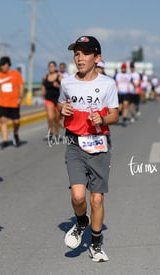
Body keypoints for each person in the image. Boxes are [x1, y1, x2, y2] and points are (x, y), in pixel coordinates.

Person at [58, 36, 119, 262]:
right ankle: (81, 221)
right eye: (76, 53)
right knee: (77, 195)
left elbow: (114, 114)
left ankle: (95, 243)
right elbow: (60, 104)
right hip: (75, 143)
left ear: (97, 57)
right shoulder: (66, 82)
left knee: (96, 200)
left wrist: (102, 119)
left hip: (99, 144)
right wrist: (61, 110)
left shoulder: (107, 84)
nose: (79, 57)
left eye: (84, 53)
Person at [0, 56, 24, 149]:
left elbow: (21, 86)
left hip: (14, 103)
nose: (2, 67)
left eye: (3, 65)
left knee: (16, 122)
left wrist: (20, 97)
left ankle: (15, 134)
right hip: (1, 103)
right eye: (0, 65)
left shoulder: (16, 74)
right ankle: (5, 140)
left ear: (8, 64)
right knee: (3, 121)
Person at [41, 61, 61, 140]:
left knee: (56, 118)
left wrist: (58, 85)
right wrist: (43, 94)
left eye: (53, 66)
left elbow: (63, 88)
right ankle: (50, 132)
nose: (51, 68)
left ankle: (57, 133)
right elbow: (43, 86)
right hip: (48, 99)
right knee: (50, 117)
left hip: (57, 99)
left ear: (55, 67)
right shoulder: (45, 77)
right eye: (50, 66)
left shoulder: (59, 77)